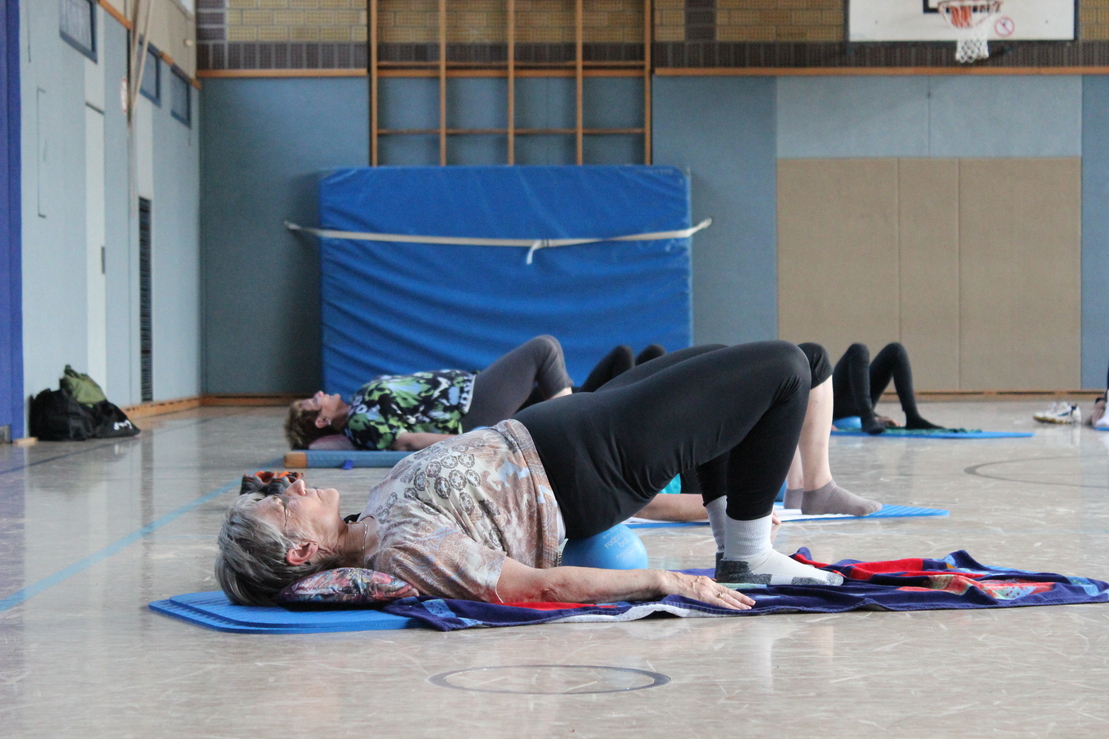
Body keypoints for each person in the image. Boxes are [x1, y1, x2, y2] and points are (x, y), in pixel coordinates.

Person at [217, 341, 846, 610]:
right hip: (590, 465)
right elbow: (531, 586)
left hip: (569, 422)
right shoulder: (403, 552)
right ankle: (748, 555)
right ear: (302, 549)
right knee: (787, 369)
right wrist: (662, 580)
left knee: (760, 365)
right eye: (282, 504)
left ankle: (733, 541)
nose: (292, 487)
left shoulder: (372, 515)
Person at [631, 342, 881, 520]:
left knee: (808, 360)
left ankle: (801, 486)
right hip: (700, 473)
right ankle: (816, 489)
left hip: (690, 450)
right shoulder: (615, 468)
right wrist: (735, 508)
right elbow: (644, 506)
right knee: (810, 360)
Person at [285, 335, 574, 452]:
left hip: (471, 389)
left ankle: (578, 415)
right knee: (543, 348)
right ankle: (568, 431)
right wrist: (476, 439)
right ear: (321, 420)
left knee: (612, 365)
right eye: (314, 401)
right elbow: (407, 442)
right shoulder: (359, 425)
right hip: (470, 410)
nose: (320, 393)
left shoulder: (359, 399)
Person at [832, 342, 941, 436]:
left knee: (895, 349)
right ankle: (867, 417)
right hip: (836, 406)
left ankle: (913, 418)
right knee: (858, 349)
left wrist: (878, 418)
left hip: (857, 407)